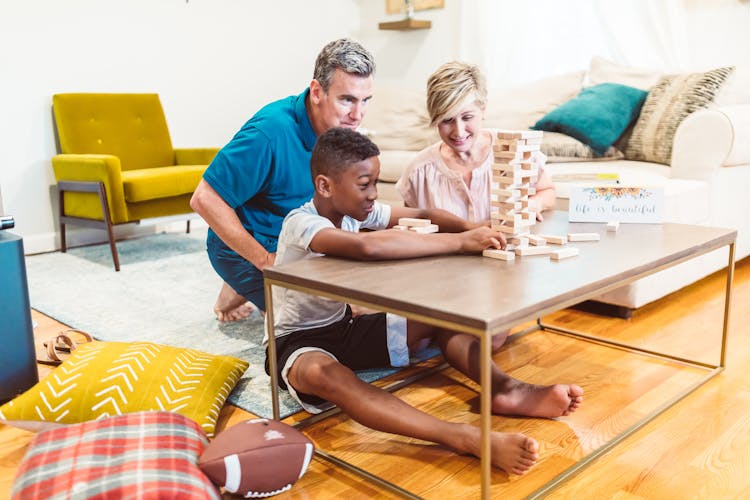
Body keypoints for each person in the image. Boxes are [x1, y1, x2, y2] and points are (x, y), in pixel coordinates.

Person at [267, 127, 583, 475]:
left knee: (448, 316)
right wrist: (461, 243)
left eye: (375, 182)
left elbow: (424, 216)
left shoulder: (359, 212)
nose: (373, 194)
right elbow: (367, 248)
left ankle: (506, 389)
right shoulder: (301, 223)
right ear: (325, 186)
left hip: (346, 328)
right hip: (296, 342)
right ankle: (463, 437)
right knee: (325, 374)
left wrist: (470, 227)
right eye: (364, 185)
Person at [190, 38, 376, 321]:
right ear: (317, 91)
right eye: (347, 99)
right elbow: (204, 198)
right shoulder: (269, 134)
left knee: (368, 288)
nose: (357, 115)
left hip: (296, 236)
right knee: (341, 314)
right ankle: (243, 276)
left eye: (364, 101)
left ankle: (238, 289)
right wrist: (265, 261)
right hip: (254, 247)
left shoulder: (338, 130)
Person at [396, 61, 556, 223]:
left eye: (467, 117)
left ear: (482, 109)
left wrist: (534, 204)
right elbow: (411, 229)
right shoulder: (418, 171)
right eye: (447, 120)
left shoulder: (517, 151)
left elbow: (547, 191)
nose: (458, 131)